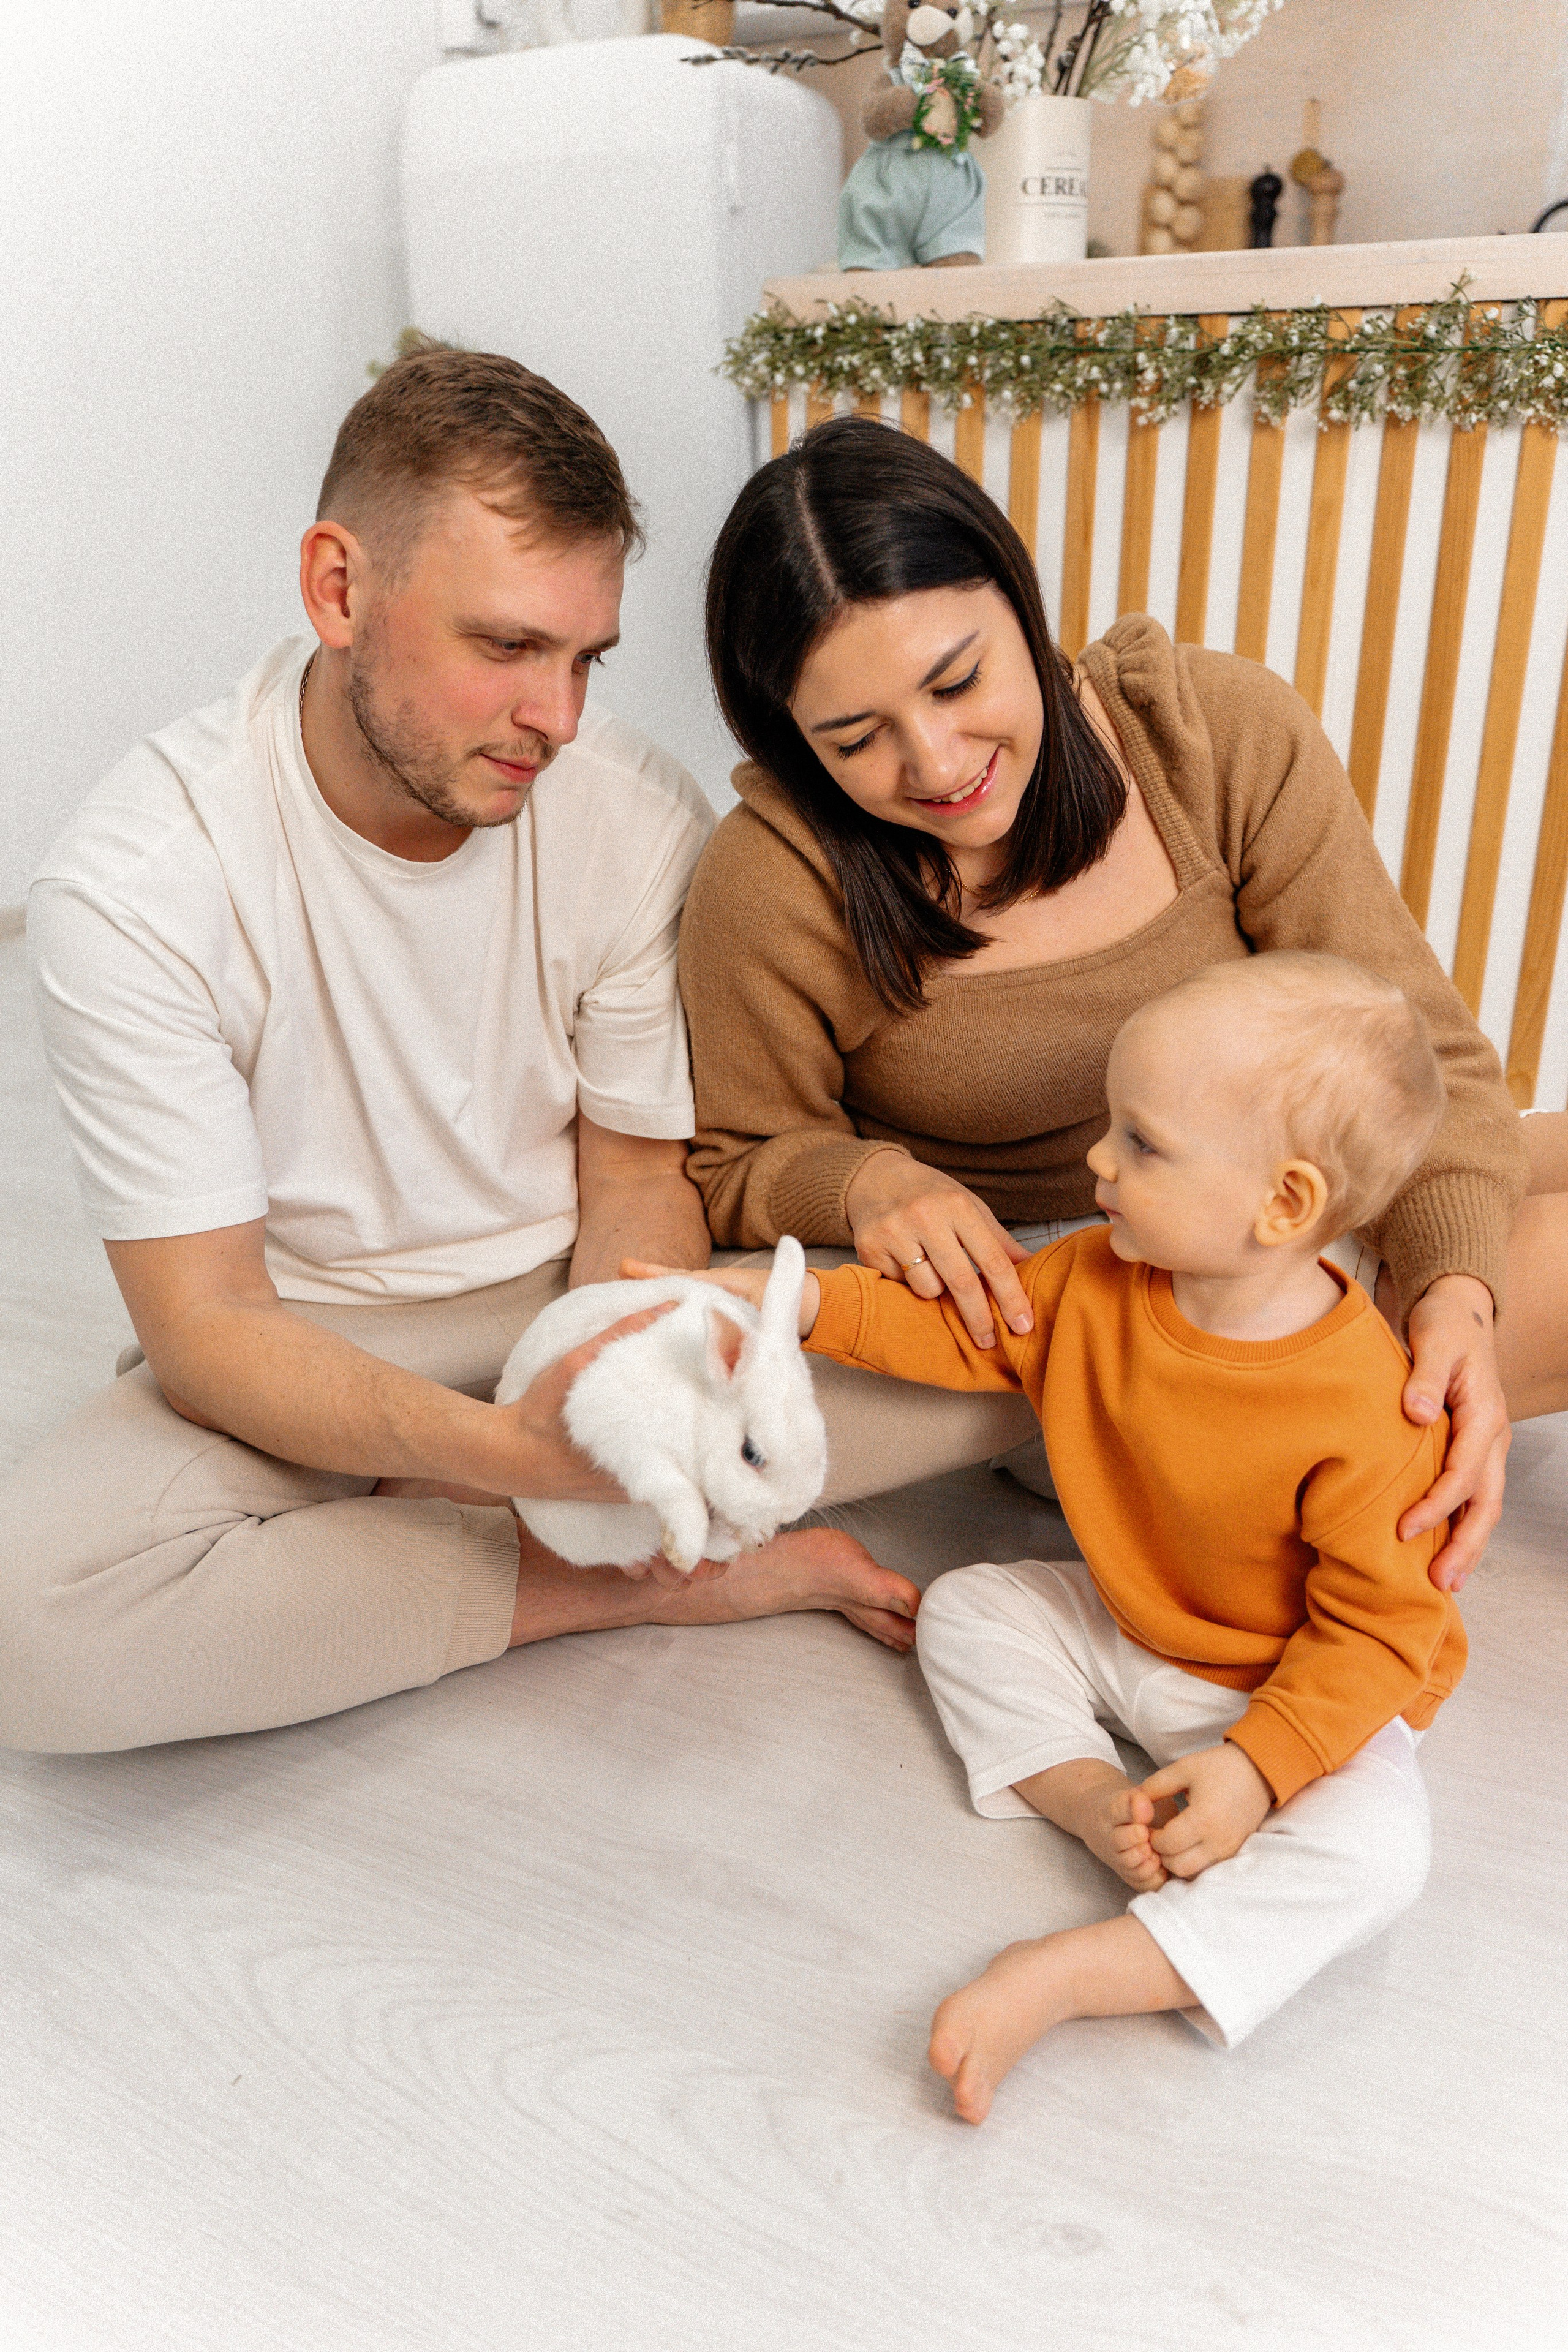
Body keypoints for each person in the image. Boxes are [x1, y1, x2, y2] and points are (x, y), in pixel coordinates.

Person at [0, 347, 918, 1755]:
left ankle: (495, 1545)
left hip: (560, 1295)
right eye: (504, 648)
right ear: (338, 589)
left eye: (583, 658)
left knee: (1007, 1357)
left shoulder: (632, 817)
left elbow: (632, 1185)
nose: (554, 717)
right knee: (33, 1626)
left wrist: (624, 1372)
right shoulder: (132, 887)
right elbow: (207, 1328)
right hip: (306, 1344)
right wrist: (512, 1463)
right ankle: (617, 1586)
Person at [680, 417, 1568, 1596]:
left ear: (1021, 599)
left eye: (960, 681)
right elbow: (738, 1158)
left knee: (1494, 1183)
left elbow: (1423, 1051)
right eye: (856, 740)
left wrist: (1459, 1297)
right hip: (1101, 1317)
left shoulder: (1207, 734)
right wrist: (868, 1181)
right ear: (789, 739)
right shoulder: (773, 880)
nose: (939, 764)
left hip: (1286, 1199)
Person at [640, 952, 1464, 2119]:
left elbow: (1382, 1633)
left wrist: (1254, 1769)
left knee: (1383, 1852)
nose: (1097, 1163)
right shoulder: (1101, 1275)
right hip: (1128, 1618)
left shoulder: (1365, 1406)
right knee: (974, 1605)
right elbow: (969, 1331)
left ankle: (1086, 1973)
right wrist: (787, 1307)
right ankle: (1092, 1804)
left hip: (1286, 1688)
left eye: (1142, 1143)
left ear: (1281, 1203)